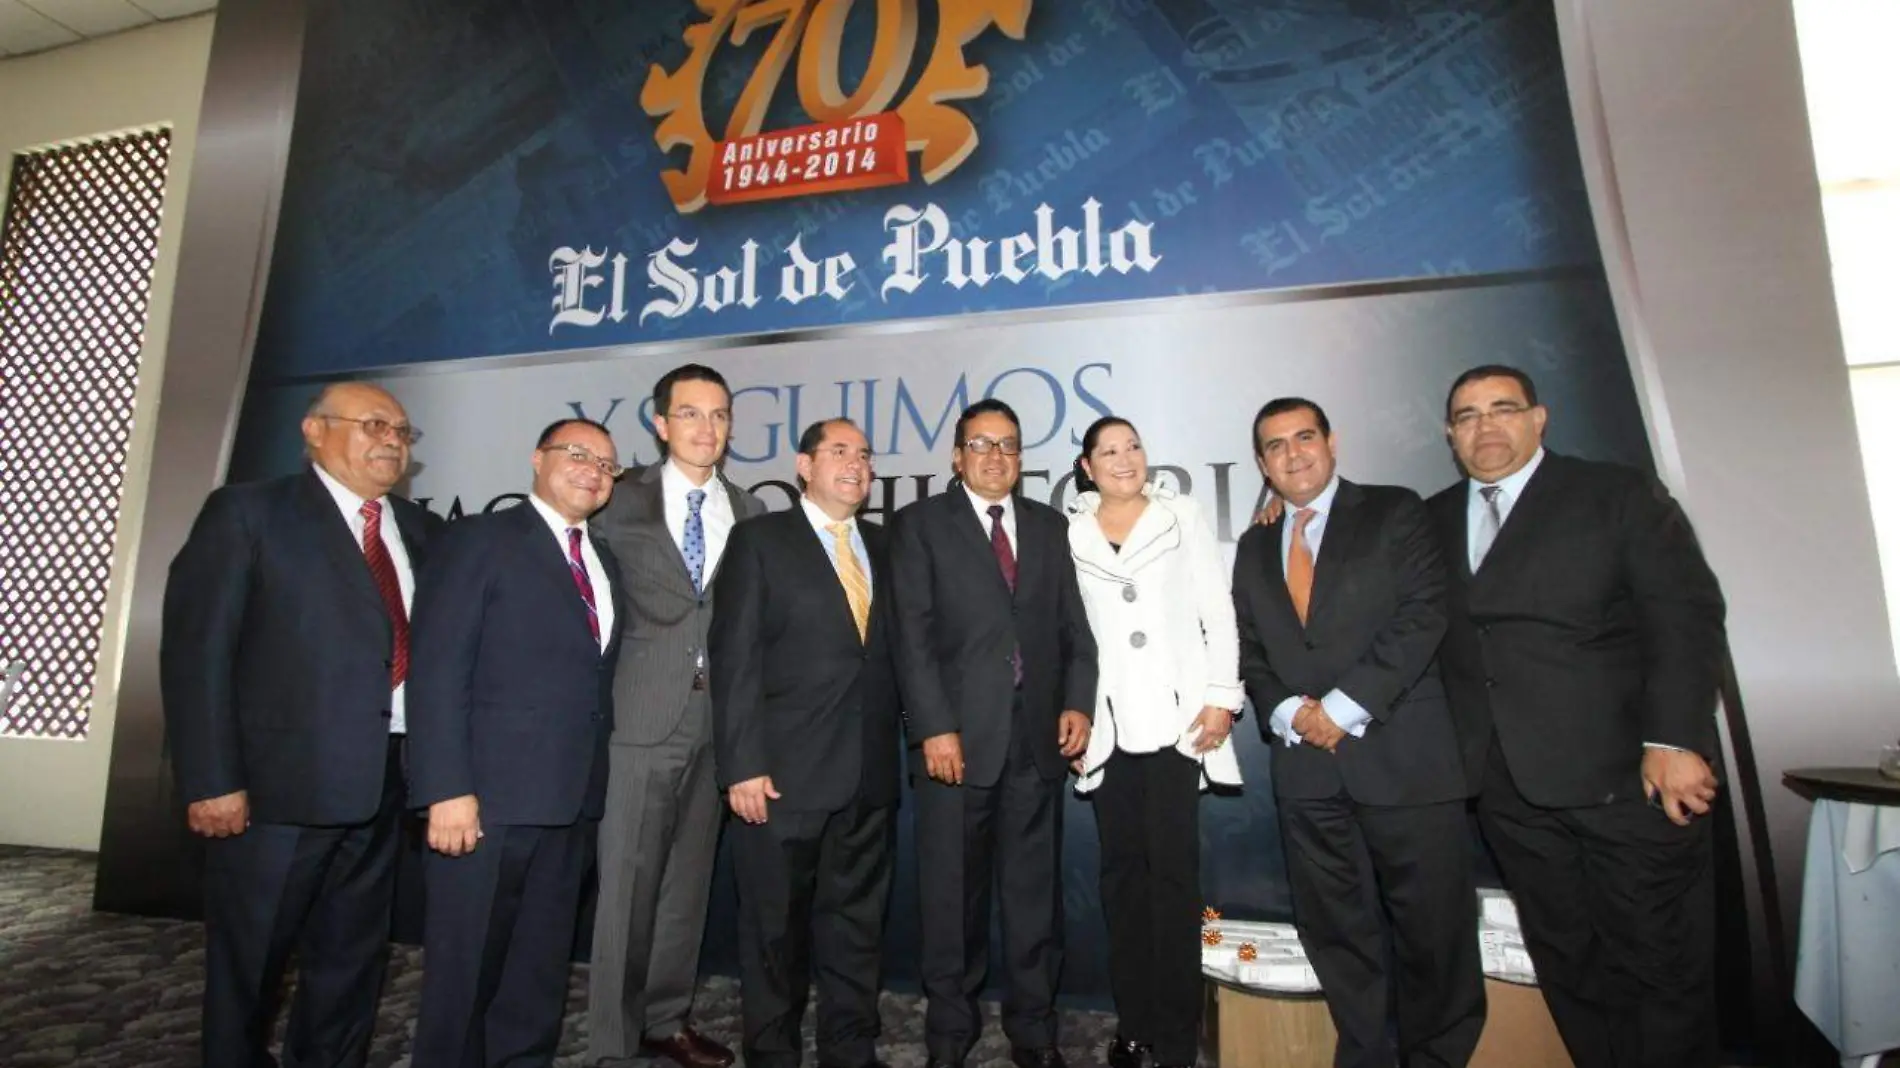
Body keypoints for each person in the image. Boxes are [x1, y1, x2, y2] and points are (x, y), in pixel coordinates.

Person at [1426, 366, 1726, 1068]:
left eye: (1503, 408)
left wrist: (1677, 737)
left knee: (1660, 963)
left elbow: (1685, 617)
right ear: (1449, 435)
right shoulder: (1432, 518)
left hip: (1627, 778)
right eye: (1467, 416)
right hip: (1508, 790)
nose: (1485, 426)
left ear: (1540, 418)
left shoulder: (1615, 494)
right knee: (1571, 964)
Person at [160, 381, 438, 1068]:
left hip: (383, 789)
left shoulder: (422, 532)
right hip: (271, 798)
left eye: (403, 432)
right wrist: (212, 779)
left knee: (351, 964)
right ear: (314, 430)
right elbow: (198, 654)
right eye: (375, 424)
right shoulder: (248, 514)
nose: (392, 441)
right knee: (248, 969)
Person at [1233, 397, 1485, 1068]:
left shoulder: (1395, 511)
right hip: (1307, 771)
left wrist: (1341, 709)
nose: (1294, 454)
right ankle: (1366, 1054)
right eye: (1276, 446)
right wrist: (1289, 713)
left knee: (1434, 931)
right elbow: (1251, 649)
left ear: (1332, 442)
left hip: (1405, 758)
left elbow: (1423, 617)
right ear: (1262, 463)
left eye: (1304, 437)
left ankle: (1436, 1059)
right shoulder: (1256, 544)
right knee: (1337, 931)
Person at [407, 417, 626, 1067]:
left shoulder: (602, 558)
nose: (593, 470)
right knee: (463, 979)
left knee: (537, 977)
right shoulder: (479, 539)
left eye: (607, 465)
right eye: (577, 454)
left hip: (570, 802)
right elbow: (439, 667)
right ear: (537, 458)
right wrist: (445, 787)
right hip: (486, 806)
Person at [889, 398, 1099, 1068]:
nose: (995, 456)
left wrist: (1077, 703)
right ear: (956, 456)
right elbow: (911, 636)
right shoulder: (919, 525)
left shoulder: (1047, 526)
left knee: (1036, 904)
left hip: (1037, 743)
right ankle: (950, 1036)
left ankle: (1034, 1034)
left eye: (1008, 444)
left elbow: (1075, 631)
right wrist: (934, 727)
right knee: (952, 904)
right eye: (981, 444)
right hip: (955, 746)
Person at [709, 418, 902, 1068]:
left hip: (868, 779)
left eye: (865, 455)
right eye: (840, 451)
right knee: (774, 936)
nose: (856, 464)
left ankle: (851, 1051)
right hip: (780, 779)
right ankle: (772, 1054)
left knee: (856, 930)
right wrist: (741, 765)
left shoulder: (886, 543)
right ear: (804, 464)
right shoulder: (759, 541)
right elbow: (733, 659)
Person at [589, 363, 766, 1068]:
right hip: (637, 716)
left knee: (686, 886)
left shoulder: (749, 512)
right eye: (690, 414)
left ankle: (665, 1020)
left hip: (717, 723)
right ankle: (609, 1044)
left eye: (719, 414)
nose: (707, 428)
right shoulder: (615, 499)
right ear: (660, 424)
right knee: (626, 889)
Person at [1064, 416, 1242, 1068]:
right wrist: (1076, 713)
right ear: (1087, 467)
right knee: (1122, 884)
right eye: (1108, 450)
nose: (1124, 458)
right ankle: (1134, 1022)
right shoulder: (1071, 530)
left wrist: (1222, 696)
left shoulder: (1182, 515)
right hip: (1110, 728)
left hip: (1175, 724)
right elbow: (1069, 634)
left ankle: (1177, 1032)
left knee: (1173, 881)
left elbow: (1216, 609)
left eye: (1133, 446)